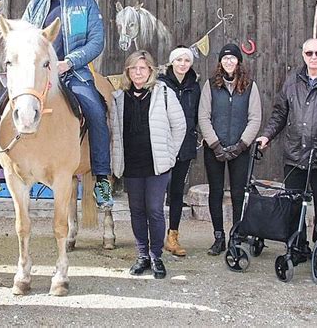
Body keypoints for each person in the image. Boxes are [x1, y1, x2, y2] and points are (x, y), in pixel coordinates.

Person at [0, 0, 113, 209]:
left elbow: (97, 42)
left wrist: (68, 62)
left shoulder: (86, 4)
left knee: (96, 110)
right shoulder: (37, 4)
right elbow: (25, 37)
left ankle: (102, 178)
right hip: (37, 73)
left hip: (71, 72)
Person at [111, 50, 186, 278]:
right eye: (133, 68)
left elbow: (180, 126)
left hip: (157, 165)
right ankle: (142, 254)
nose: (138, 72)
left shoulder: (163, 93)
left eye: (142, 68)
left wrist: (170, 154)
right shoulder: (119, 98)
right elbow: (114, 132)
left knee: (154, 210)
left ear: (151, 70)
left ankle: (156, 256)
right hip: (132, 164)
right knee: (136, 211)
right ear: (128, 72)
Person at [257, 38, 317, 254]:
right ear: (303, 55)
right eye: (309, 53)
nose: (314, 58)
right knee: (293, 204)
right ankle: (297, 247)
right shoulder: (293, 82)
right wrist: (267, 136)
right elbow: (280, 113)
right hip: (295, 155)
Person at [198, 44, 261, 255]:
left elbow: (255, 118)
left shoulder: (250, 87)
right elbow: (203, 116)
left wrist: (241, 145)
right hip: (214, 148)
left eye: (232, 58)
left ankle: (236, 235)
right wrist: (215, 144)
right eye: (225, 59)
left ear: (238, 61)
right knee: (215, 192)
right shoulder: (210, 85)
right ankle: (219, 237)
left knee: (238, 193)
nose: (229, 62)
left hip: (240, 149)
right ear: (220, 62)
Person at [158, 46, 201, 257]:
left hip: (184, 145)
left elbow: (198, 114)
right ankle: (154, 235)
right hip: (162, 145)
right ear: (171, 62)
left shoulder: (195, 87)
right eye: (179, 60)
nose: (183, 64)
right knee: (157, 191)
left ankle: (172, 235)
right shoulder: (160, 85)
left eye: (187, 60)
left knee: (176, 192)